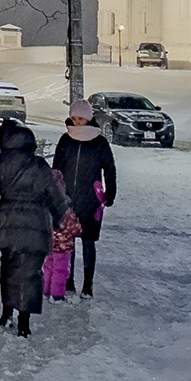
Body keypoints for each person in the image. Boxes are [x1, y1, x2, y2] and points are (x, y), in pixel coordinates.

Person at [0, 119, 69, 337]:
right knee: (31, 272)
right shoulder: (39, 165)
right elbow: (55, 197)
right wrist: (59, 218)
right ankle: (24, 322)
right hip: (37, 224)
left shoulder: (1, 162)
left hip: (8, 224)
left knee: (9, 267)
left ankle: (6, 312)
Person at [50, 98, 118, 297]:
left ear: (88, 118)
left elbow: (110, 169)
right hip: (66, 200)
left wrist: (109, 193)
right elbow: (56, 169)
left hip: (91, 200)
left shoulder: (99, 142)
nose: (76, 122)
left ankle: (88, 285)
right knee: (67, 242)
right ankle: (69, 281)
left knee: (88, 241)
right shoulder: (65, 139)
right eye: (73, 118)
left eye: (80, 118)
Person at [42, 168, 80, 301]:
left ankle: (46, 290)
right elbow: (74, 227)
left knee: (48, 267)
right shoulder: (65, 209)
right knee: (60, 271)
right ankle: (57, 295)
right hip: (63, 248)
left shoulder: (44, 208)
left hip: (49, 245)